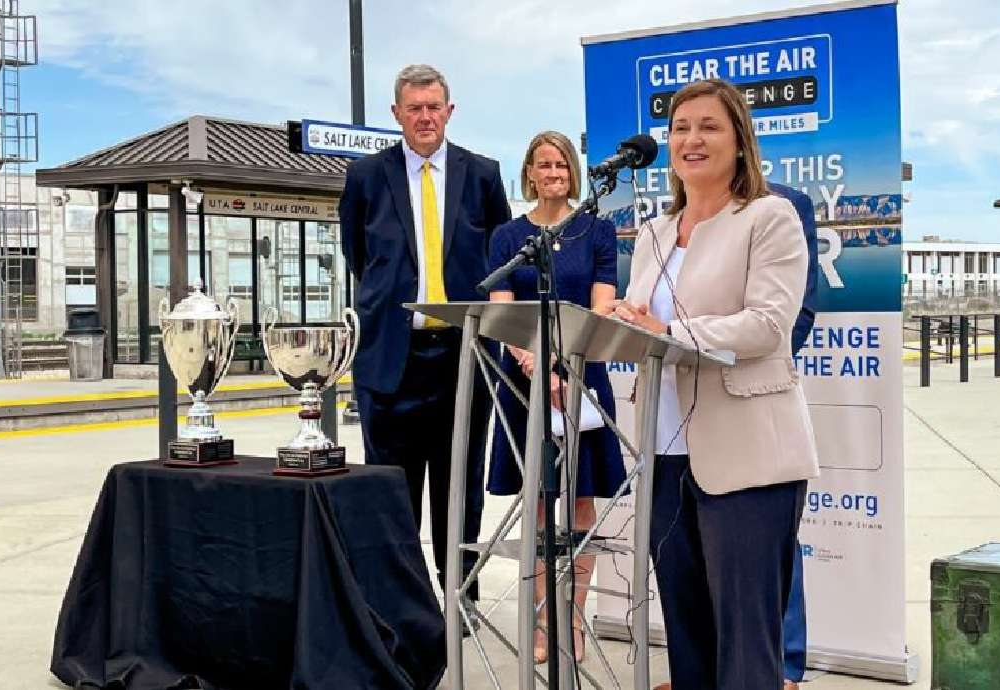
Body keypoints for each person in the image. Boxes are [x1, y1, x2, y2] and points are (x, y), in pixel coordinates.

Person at [610, 77, 819, 689]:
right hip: (666, 451)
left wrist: (667, 329)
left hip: (747, 455)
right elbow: (641, 321)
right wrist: (615, 325)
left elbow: (768, 325)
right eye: (680, 128)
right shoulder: (652, 232)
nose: (691, 139)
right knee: (687, 634)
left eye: (708, 127)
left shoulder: (768, 217)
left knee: (747, 641)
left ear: (739, 141)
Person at [338, 64, 511, 612]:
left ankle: (460, 599)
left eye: (434, 106)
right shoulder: (366, 176)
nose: (426, 117)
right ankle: (396, 607)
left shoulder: (482, 175)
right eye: (414, 108)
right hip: (392, 358)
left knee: (458, 486)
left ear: (450, 110)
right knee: (391, 491)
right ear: (397, 114)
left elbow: (500, 255)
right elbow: (358, 256)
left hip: (463, 359)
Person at [486, 130, 627, 664]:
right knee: (543, 503)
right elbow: (502, 313)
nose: (553, 174)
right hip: (523, 384)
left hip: (583, 377)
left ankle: (575, 618)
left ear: (574, 173)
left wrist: (565, 365)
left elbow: (601, 307)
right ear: (529, 173)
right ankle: (546, 622)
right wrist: (534, 363)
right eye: (544, 165)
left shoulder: (597, 230)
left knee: (583, 500)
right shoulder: (508, 237)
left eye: (562, 165)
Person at [771, 180, 819, 690]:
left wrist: (764, 361)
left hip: (756, 389)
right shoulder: (681, 211)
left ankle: (784, 664)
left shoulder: (785, 202)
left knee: (772, 533)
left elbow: (802, 305)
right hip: (681, 400)